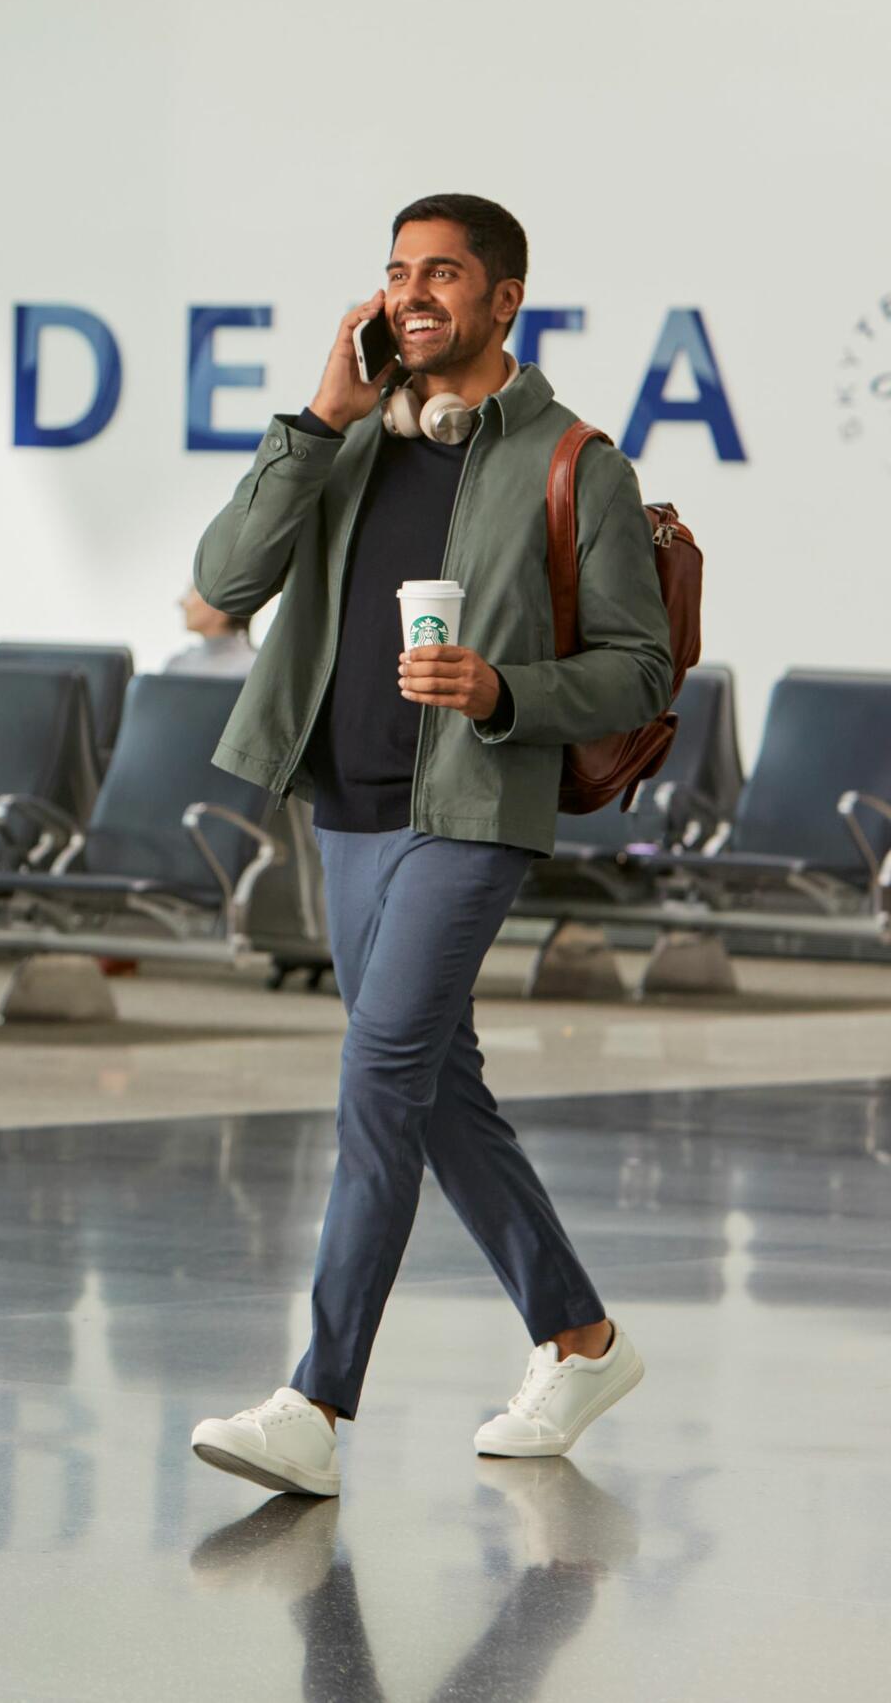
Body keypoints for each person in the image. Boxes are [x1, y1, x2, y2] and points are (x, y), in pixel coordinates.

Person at [188, 193, 673, 1498]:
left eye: (443, 274)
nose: (414, 295)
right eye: (398, 272)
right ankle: (580, 1339)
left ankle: (317, 1401)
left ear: (505, 298)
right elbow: (225, 581)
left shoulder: (576, 460)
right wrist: (319, 419)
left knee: (382, 1072)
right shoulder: (341, 443)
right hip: (343, 808)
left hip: (469, 816)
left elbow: (641, 667)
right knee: (438, 1089)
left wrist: (505, 691)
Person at [163, 584, 256, 678]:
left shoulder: (252, 669)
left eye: (191, 592)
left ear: (220, 606)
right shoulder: (177, 665)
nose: (181, 602)